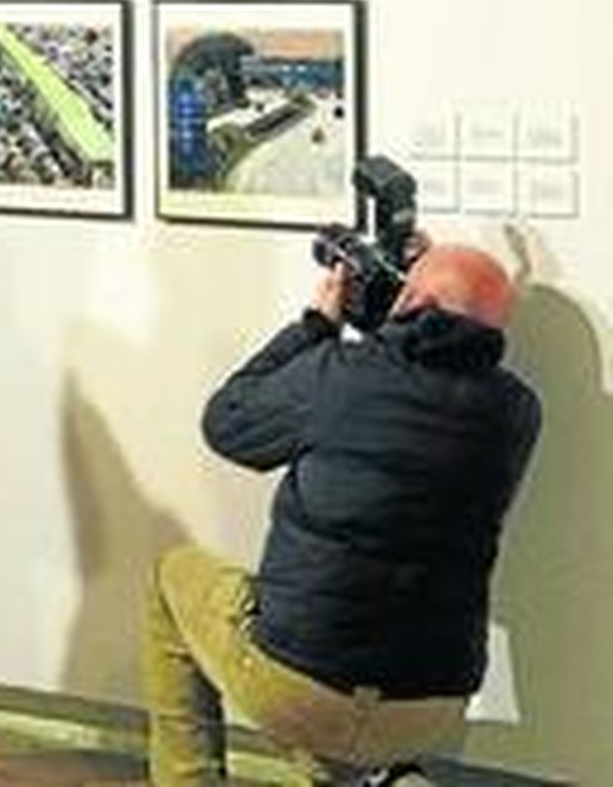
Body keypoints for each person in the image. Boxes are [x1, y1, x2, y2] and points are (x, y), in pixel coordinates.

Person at [143, 244, 541, 785]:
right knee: (347, 696)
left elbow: (227, 423)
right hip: (434, 708)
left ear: (414, 297)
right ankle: (383, 779)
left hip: (301, 685)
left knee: (171, 574)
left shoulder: (337, 373)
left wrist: (315, 326)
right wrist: (406, 307)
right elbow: (418, 384)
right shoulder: (517, 413)